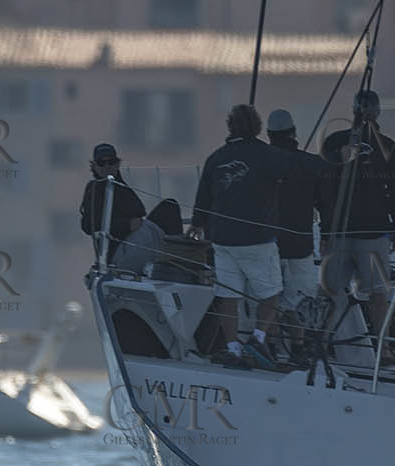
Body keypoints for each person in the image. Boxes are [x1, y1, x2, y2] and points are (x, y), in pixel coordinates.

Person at [192, 102, 290, 369]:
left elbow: (203, 198)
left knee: (228, 295)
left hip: (223, 241)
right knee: (271, 293)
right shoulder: (269, 155)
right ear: (257, 127)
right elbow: (292, 172)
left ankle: (233, 348)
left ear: (230, 126)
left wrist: (198, 224)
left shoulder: (216, 158)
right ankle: (257, 340)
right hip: (258, 240)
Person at [320, 88, 395, 346]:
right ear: (378, 112)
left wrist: (325, 232)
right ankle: (382, 346)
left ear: (354, 112)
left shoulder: (334, 143)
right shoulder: (389, 147)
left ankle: (320, 342)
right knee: (378, 295)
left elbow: (325, 191)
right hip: (374, 232)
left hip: (340, 233)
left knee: (331, 293)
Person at [265, 108, 333, 329]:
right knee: (300, 301)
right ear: (294, 132)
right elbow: (327, 205)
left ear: (268, 134)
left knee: (269, 299)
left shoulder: (260, 163)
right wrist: (326, 235)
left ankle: (270, 346)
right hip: (299, 245)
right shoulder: (312, 164)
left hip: (265, 245)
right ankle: (298, 347)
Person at [79, 142, 146, 260]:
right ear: (94, 166)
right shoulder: (94, 189)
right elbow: (89, 225)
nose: (107, 166)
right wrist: (127, 225)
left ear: (117, 164)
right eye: (101, 163)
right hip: (117, 251)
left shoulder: (120, 186)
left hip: (136, 243)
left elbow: (140, 210)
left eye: (111, 162)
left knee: (169, 207)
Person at [114, 198, 185, 275]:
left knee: (169, 207)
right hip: (124, 258)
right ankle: (181, 258)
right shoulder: (108, 188)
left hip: (115, 256)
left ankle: (179, 255)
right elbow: (138, 212)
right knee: (169, 206)